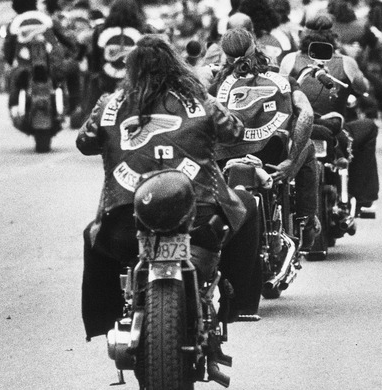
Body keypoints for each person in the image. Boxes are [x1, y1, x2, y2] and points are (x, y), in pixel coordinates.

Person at [78, 36, 263, 340]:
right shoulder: (200, 100)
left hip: (126, 225)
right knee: (249, 206)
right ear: (175, 64)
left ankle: (106, 321)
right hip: (201, 219)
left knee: (92, 236)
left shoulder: (109, 103)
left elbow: (84, 143)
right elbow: (233, 130)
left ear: (132, 68)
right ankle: (240, 303)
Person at [209, 28, 320, 249]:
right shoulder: (283, 81)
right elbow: (306, 114)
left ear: (226, 56)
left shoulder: (217, 86)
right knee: (308, 146)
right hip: (272, 159)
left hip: (225, 161)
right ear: (255, 48)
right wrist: (290, 161)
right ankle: (305, 221)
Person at [280, 14, 380, 211]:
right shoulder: (346, 63)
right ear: (333, 36)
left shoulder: (289, 60)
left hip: (298, 128)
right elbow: (363, 88)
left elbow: (281, 91)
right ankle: (362, 196)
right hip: (333, 126)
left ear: (303, 36)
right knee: (368, 127)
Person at [329, 0, 382, 151]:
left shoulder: (329, 29)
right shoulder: (362, 27)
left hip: (332, 75)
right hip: (359, 74)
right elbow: (381, 44)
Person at [3, 0, 81, 123]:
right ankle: (74, 108)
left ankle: (15, 108)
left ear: (15, 5)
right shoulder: (46, 18)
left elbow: (9, 48)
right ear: (34, 2)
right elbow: (64, 38)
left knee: (13, 79)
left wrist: (10, 62)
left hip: (24, 66)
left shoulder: (14, 23)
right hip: (54, 66)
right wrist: (74, 52)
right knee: (73, 69)